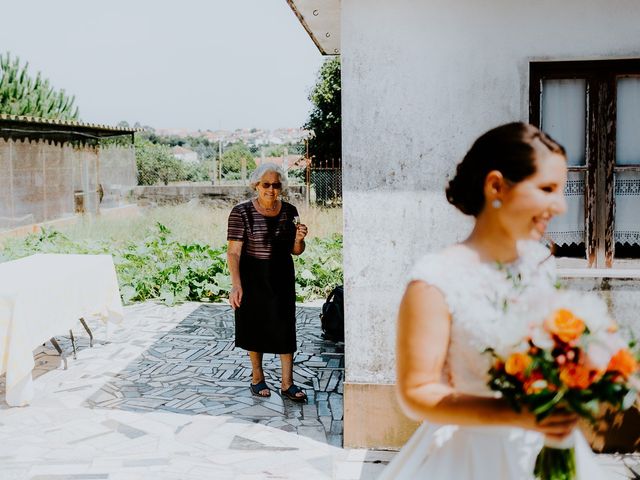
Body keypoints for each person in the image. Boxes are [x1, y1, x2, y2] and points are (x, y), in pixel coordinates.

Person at [379, 123, 612, 479]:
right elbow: (417, 393)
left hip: (546, 447)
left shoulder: (540, 266)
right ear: (496, 186)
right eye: (547, 189)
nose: (560, 206)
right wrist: (518, 414)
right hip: (471, 457)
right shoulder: (435, 279)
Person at [226, 163, 308, 402]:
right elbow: (233, 253)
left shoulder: (290, 211)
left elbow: (296, 251)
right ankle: (257, 377)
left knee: (285, 326)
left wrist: (300, 239)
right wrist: (236, 284)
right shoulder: (241, 212)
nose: (271, 189)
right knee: (254, 325)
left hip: (281, 274)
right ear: (256, 185)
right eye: (266, 184)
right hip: (252, 275)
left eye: (276, 184)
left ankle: (287, 383)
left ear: (281, 187)